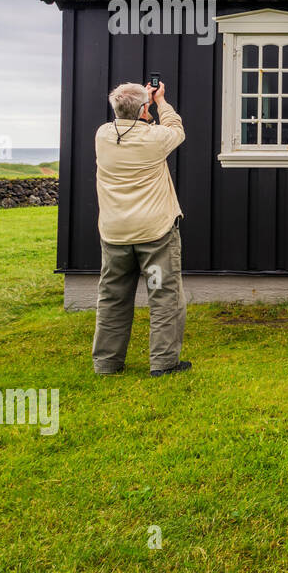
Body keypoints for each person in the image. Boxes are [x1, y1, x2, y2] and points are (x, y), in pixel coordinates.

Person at [92, 81, 190, 376]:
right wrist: (160, 101)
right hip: (155, 234)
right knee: (163, 295)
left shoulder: (103, 135)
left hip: (115, 234)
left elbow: (127, 122)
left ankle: (107, 363)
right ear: (144, 109)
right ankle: (163, 363)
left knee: (112, 298)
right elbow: (176, 129)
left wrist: (141, 104)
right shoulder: (155, 137)